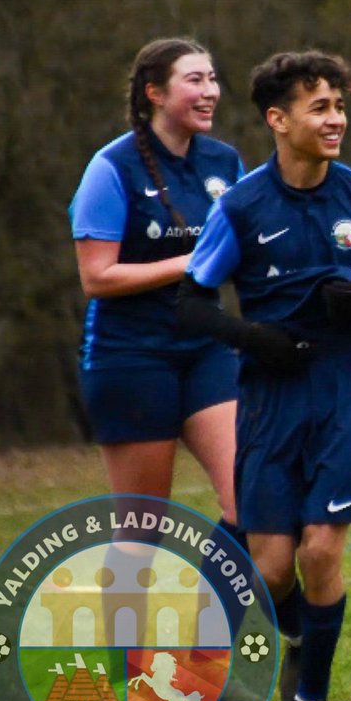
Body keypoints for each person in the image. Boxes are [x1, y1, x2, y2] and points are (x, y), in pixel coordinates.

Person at [177, 51, 351, 701]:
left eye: (340, 105)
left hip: (345, 386)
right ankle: (285, 649)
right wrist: (252, 337)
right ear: (278, 120)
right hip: (268, 394)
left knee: (320, 553)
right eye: (320, 107)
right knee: (273, 568)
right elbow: (191, 306)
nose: (336, 118)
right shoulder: (244, 205)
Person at [69, 38, 243, 537]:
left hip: (207, 349)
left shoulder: (224, 162)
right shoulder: (111, 168)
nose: (210, 91)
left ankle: (211, 614)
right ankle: (125, 618)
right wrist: (190, 263)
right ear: (155, 94)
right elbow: (96, 278)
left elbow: (252, 239)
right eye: (195, 80)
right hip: (131, 357)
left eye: (212, 78)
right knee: (142, 533)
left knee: (249, 502)